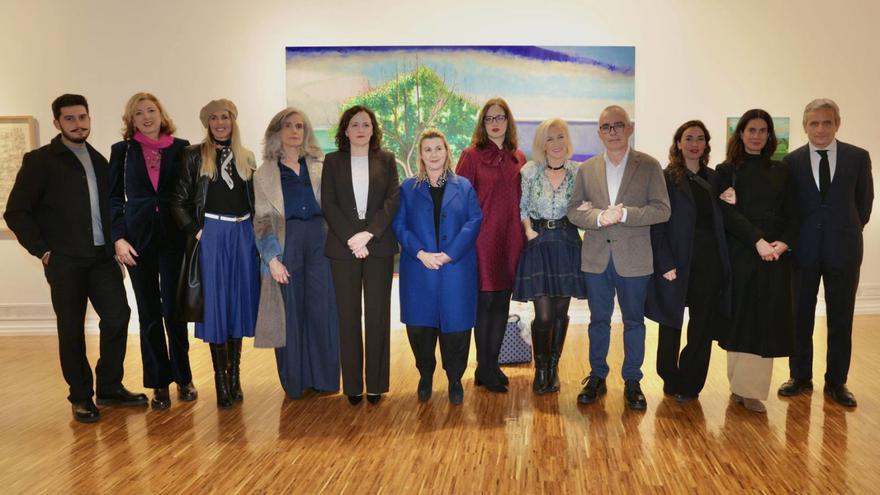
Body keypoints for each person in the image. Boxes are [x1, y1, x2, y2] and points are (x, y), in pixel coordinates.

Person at [4, 94, 147, 423]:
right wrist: (44, 250)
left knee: (118, 317)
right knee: (71, 329)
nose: (78, 124)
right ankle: (81, 396)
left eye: (83, 117)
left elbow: (112, 209)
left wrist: (115, 246)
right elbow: (16, 212)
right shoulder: (40, 161)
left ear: (90, 119)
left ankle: (109, 387)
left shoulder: (100, 161)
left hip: (101, 259)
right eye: (70, 119)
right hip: (65, 260)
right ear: (57, 123)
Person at [567, 105, 670, 410]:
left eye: (618, 126)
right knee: (598, 321)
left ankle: (633, 380)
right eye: (606, 127)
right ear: (599, 132)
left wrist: (625, 213)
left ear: (630, 128)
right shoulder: (586, 169)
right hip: (597, 258)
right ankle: (597, 375)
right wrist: (599, 217)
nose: (612, 132)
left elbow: (662, 210)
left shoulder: (649, 166)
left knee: (634, 321)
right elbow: (574, 211)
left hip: (635, 259)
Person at [778, 99, 873, 407]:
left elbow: (864, 205)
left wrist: (844, 230)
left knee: (841, 317)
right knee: (798, 315)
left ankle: (836, 381)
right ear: (805, 127)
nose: (820, 128)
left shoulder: (857, 158)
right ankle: (800, 376)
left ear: (837, 124)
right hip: (802, 252)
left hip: (843, 251)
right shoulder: (790, 163)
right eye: (814, 123)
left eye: (827, 122)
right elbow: (787, 209)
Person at [109, 92, 196, 410]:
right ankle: (159, 382)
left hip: (174, 240)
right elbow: (114, 199)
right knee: (148, 314)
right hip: (137, 243)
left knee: (175, 312)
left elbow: (189, 195)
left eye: (151, 110)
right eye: (138, 113)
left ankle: (184, 378)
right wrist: (118, 238)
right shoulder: (122, 151)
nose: (146, 117)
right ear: (130, 120)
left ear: (161, 114)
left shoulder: (182, 148)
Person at [170, 99, 258, 408]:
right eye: (214, 119)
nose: (220, 123)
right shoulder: (194, 156)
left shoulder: (247, 158)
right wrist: (198, 232)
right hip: (213, 235)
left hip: (243, 234)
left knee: (237, 305)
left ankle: (235, 379)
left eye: (225, 117)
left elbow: (255, 202)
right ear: (207, 123)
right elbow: (177, 201)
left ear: (233, 121)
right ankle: (221, 384)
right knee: (217, 307)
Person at [253, 107, 340, 399]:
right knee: (289, 312)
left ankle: (325, 380)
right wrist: (272, 258)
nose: (294, 131)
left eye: (300, 126)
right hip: (285, 243)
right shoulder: (264, 173)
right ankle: (296, 381)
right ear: (277, 131)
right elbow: (263, 220)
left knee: (322, 309)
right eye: (288, 125)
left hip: (320, 241)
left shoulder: (320, 164)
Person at [716, 108, 799, 413]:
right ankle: (738, 385)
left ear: (769, 136)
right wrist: (757, 241)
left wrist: (783, 243)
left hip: (774, 256)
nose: (757, 136)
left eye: (763, 131)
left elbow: (794, 213)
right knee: (740, 319)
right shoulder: (726, 170)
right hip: (742, 253)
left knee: (765, 322)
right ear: (740, 134)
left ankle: (750, 391)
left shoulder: (781, 171)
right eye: (751, 130)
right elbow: (725, 214)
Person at [393, 129, 482, 405]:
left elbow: (474, 221)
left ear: (447, 152)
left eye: (438, 148)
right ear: (421, 155)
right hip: (419, 270)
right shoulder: (408, 188)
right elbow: (399, 225)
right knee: (420, 329)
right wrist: (420, 253)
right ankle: (425, 375)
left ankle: (455, 379)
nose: (433, 154)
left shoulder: (464, 186)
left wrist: (449, 254)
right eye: (428, 149)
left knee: (456, 330)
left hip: (456, 270)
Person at [645, 120, 731, 403]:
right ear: (678, 143)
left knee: (702, 324)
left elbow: (725, 217)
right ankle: (670, 376)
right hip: (676, 260)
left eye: (700, 138)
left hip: (709, 260)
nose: (694, 143)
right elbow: (656, 225)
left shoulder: (715, 178)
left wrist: (731, 198)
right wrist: (664, 262)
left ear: (706, 144)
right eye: (688, 138)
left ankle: (692, 382)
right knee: (671, 321)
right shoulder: (666, 177)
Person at [322, 105, 399, 405]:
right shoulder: (332, 161)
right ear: (345, 130)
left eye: (366, 124)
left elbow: (393, 200)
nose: (360, 129)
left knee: (378, 318)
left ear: (373, 129)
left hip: (378, 247)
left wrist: (369, 234)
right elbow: (329, 203)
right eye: (354, 124)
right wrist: (352, 238)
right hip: (343, 249)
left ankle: (377, 384)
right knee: (348, 319)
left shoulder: (387, 159)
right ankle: (353, 386)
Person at [455, 97, 526, 394]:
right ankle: (483, 366)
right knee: (483, 304)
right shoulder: (471, 155)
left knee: (501, 303)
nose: (495, 123)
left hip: (511, 238)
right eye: (489, 118)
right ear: (482, 124)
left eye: (500, 117)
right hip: (482, 239)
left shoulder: (518, 157)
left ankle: (491, 365)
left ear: (508, 122)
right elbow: (458, 199)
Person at [512, 118, 586, 395]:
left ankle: (553, 367)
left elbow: (582, 206)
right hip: (540, 244)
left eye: (560, 137)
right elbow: (522, 208)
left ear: (567, 141)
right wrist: (529, 231)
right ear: (542, 144)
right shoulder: (530, 171)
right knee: (543, 315)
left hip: (567, 243)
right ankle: (540, 368)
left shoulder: (579, 172)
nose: (556, 144)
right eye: (550, 139)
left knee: (560, 313)